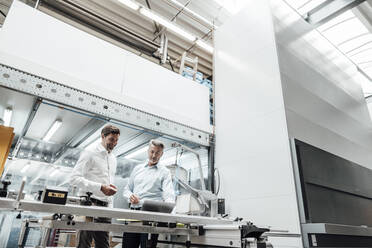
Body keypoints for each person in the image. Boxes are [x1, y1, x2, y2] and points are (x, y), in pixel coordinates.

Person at [70, 125, 120, 248]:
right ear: (103, 136)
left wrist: (109, 190)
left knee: (103, 245)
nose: (114, 143)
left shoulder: (113, 158)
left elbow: (105, 183)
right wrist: (100, 187)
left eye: (117, 140)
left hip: (105, 207)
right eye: (112, 139)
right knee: (84, 244)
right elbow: (74, 179)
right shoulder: (90, 152)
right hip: (88, 204)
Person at [122, 139, 175, 248]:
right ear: (148, 151)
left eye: (157, 153)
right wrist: (130, 197)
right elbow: (126, 189)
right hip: (133, 215)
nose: (154, 155)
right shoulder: (137, 169)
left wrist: (171, 215)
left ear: (162, 154)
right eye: (152, 151)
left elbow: (169, 197)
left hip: (151, 218)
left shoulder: (165, 172)